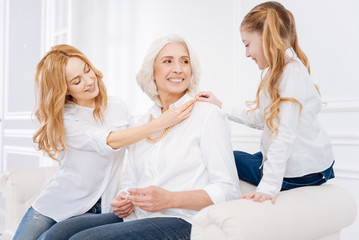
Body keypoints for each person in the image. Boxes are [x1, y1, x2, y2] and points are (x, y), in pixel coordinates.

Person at [39, 34, 241, 240]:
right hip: (139, 217)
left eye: (185, 61)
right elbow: (130, 182)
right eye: (168, 61)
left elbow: (228, 189)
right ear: (152, 71)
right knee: (57, 234)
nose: (178, 69)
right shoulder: (142, 122)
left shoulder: (207, 115)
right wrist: (123, 199)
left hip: (184, 220)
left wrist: (169, 199)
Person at [13, 44, 196, 240]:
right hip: (61, 202)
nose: (89, 80)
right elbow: (109, 141)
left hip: (104, 207)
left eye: (87, 70)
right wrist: (161, 122)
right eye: (77, 81)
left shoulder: (116, 105)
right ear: (64, 90)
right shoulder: (66, 119)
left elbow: (139, 140)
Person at [198, 1, 335, 204]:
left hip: (302, 174)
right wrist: (220, 105)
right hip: (313, 164)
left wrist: (268, 188)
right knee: (239, 155)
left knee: (228, 156)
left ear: (268, 38)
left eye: (247, 44)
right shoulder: (278, 72)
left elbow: (283, 135)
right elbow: (263, 119)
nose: (246, 54)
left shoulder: (291, 75)